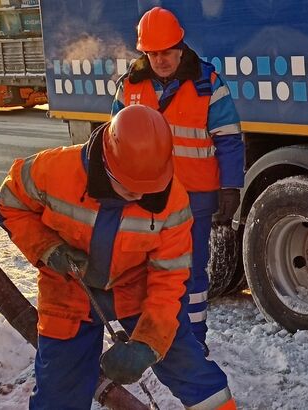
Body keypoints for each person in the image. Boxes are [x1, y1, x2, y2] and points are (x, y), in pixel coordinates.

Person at [0, 105, 236, 410]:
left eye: (149, 188)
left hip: (136, 290)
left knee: (194, 374)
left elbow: (170, 279)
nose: (141, 196)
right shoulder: (53, 170)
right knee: (59, 392)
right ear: (108, 164)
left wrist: (148, 344)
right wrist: (47, 248)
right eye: (132, 189)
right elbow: (9, 203)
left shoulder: (172, 200)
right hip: (69, 290)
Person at [112, 6, 245, 352]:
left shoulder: (207, 84)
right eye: (153, 53)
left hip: (194, 198)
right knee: (144, 270)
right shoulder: (130, 86)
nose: (160, 60)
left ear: (180, 47)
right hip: (145, 197)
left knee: (191, 272)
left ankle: (193, 342)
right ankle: (153, 337)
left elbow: (229, 139)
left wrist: (231, 187)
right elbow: (113, 142)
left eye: (167, 52)